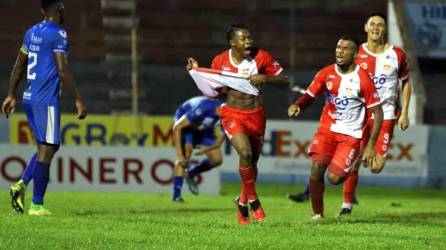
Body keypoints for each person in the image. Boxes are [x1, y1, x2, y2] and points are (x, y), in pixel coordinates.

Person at [187, 24, 288, 224]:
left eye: (250, 38)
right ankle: (254, 201)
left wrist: (265, 78)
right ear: (232, 42)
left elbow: (284, 80)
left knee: (252, 164)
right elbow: (214, 89)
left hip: (256, 115)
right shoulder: (220, 60)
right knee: (245, 153)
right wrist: (197, 72)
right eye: (243, 39)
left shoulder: (262, 57)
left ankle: (241, 202)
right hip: (232, 114)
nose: (249, 41)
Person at [2, 0, 87, 216]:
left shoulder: (31, 32)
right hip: (46, 99)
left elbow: (19, 64)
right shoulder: (59, 34)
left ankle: (21, 185)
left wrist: (11, 94)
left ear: (42, 10)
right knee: (48, 148)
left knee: (47, 147)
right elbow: (62, 69)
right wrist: (77, 98)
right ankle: (36, 205)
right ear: (59, 8)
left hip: (29, 97)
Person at [288, 37, 383, 220]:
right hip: (327, 129)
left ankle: (350, 172)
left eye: (345, 49)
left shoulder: (363, 79)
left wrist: (371, 145)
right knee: (316, 168)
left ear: (355, 54)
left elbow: (377, 113)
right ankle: (317, 214)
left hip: (351, 135)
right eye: (338, 47)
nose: (339, 51)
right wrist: (299, 104)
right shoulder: (326, 73)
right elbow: (309, 95)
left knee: (334, 178)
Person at [339, 13, 411, 216]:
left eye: (380, 25)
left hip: (386, 115)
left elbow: (406, 82)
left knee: (377, 166)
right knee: (353, 162)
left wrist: (404, 112)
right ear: (365, 28)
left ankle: (364, 155)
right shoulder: (355, 52)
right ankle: (346, 205)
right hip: (359, 114)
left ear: (385, 29)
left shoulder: (397, 54)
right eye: (372, 24)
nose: (376, 28)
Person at [172, 96, 225, 202]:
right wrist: (180, 155)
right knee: (185, 157)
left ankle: (191, 173)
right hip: (186, 125)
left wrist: (205, 150)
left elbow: (219, 142)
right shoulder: (204, 108)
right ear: (220, 107)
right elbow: (177, 127)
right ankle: (176, 196)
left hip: (204, 128)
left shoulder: (227, 115)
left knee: (217, 159)